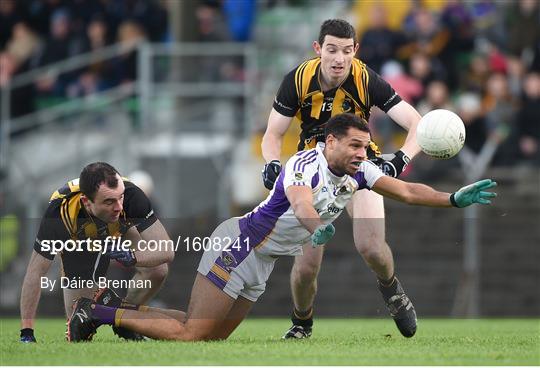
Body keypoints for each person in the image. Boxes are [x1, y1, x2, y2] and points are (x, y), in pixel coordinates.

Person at [66, 113, 497, 342]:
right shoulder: (302, 164)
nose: (362, 153)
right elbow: (300, 202)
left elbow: (404, 190)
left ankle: (125, 317)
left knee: (208, 335)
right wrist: (317, 228)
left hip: (264, 260)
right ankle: (99, 312)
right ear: (329, 142)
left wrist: (453, 198)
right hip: (238, 246)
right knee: (193, 333)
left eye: (365, 146)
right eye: (354, 145)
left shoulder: (359, 170)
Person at [261, 19, 423, 339]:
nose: (339, 59)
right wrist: (271, 163)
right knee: (307, 268)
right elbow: (273, 134)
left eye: (346, 51)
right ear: (318, 49)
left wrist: (402, 158)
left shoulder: (366, 78)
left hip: (360, 166)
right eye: (332, 50)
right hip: (313, 172)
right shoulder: (297, 79)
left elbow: (416, 123)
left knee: (372, 247)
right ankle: (302, 323)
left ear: (355, 51)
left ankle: (392, 290)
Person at [19, 162, 174, 343]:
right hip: (78, 240)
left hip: (118, 227)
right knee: (79, 330)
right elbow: (36, 271)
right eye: (109, 201)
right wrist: (27, 333)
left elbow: (166, 250)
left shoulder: (131, 196)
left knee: (158, 270)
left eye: (120, 197)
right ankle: (108, 311)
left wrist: (132, 256)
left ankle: (124, 321)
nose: (118, 206)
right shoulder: (60, 211)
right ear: (87, 201)